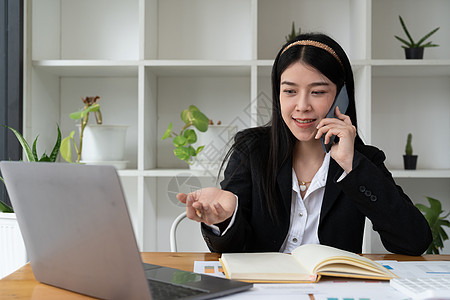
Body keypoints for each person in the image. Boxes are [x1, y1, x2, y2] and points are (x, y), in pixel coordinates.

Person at [176, 33, 432, 255]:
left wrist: (350, 165)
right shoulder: (252, 148)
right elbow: (233, 250)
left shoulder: (363, 160)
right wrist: (225, 219)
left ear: (341, 95)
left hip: (331, 289)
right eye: (290, 91)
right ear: (278, 94)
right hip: (264, 289)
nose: (302, 106)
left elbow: (414, 242)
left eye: (318, 92)